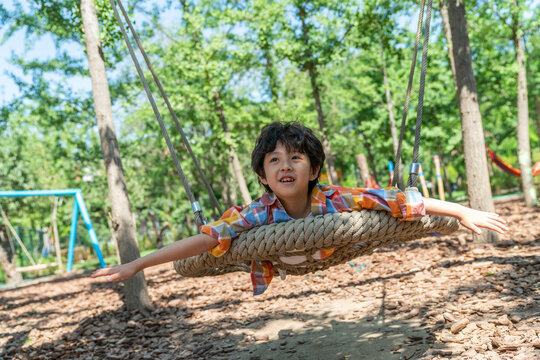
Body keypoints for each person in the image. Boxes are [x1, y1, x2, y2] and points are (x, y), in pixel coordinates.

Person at [92, 122, 508, 295]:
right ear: (262, 175)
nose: (285, 165)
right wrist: (137, 265)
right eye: (273, 160)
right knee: (221, 243)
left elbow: (399, 200)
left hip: (334, 249)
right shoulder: (256, 214)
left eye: (295, 158)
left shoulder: (336, 198)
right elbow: (206, 238)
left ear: (313, 169)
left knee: (387, 210)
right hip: (283, 260)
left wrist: (460, 211)